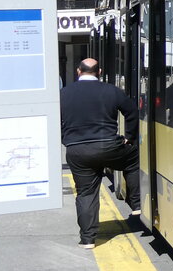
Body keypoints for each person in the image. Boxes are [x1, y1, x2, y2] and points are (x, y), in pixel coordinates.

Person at [60, 58, 140, 248]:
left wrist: (66, 139)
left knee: (86, 192)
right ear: (100, 72)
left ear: (79, 71)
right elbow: (132, 112)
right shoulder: (111, 91)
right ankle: (136, 204)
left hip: (78, 150)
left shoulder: (63, 94)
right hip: (109, 147)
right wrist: (129, 137)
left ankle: (87, 239)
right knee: (132, 160)